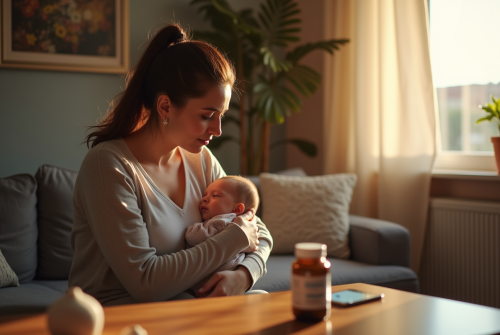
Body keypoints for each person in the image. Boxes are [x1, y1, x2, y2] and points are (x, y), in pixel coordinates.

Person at [68, 23, 273, 306]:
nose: (218, 129)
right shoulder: (108, 166)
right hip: (122, 313)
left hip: (188, 305)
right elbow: (145, 282)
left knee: (266, 304)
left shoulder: (200, 160)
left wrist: (244, 275)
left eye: (221, 115)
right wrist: (232, 240)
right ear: (165, 107)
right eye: (207, 115)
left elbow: (258, 230)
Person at [185, 176, 260, 295]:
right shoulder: (245, 223)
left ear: (237, 208)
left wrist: (191, 229)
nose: (204, 199)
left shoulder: (222, 221)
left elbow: (193, 237)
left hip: (211, 283)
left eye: (215, 195)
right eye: (205, 195)